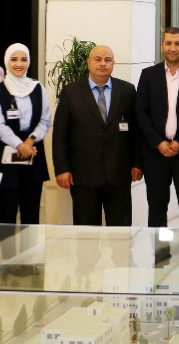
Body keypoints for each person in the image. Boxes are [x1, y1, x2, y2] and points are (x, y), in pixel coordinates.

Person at [52, 45, 141, 226]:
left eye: (107, 60)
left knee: (121, 232)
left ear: (113, 63)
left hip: (119, 174)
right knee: (86, 233)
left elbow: (137, 132)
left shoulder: (127, 91)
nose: (102, 64)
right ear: (89, 62)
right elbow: (60, 134)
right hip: (83, 176)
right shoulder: (71, 92)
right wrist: (62, 168)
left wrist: (137, 163)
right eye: (98, 59)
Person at [135, 28, 179, 236]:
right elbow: (141, 112)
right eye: (168, 43)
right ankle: (161, 251)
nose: (172, 48)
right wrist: (158, 142)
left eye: (177, 43)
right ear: (162, 46)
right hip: (155, 154)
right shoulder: (148, 75)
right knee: (157, 209)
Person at [0, 44, 51, 225]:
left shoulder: (37, 88)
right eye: (14, 59)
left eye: (23, 59)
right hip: (8, 158)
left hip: (33, 154)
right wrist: (19, 145)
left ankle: (31, 246)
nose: (19, 64)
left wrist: (30, 141)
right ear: (6, 62)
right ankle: (8, 247)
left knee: (31, 217)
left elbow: (45, 120)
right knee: (6, 216)